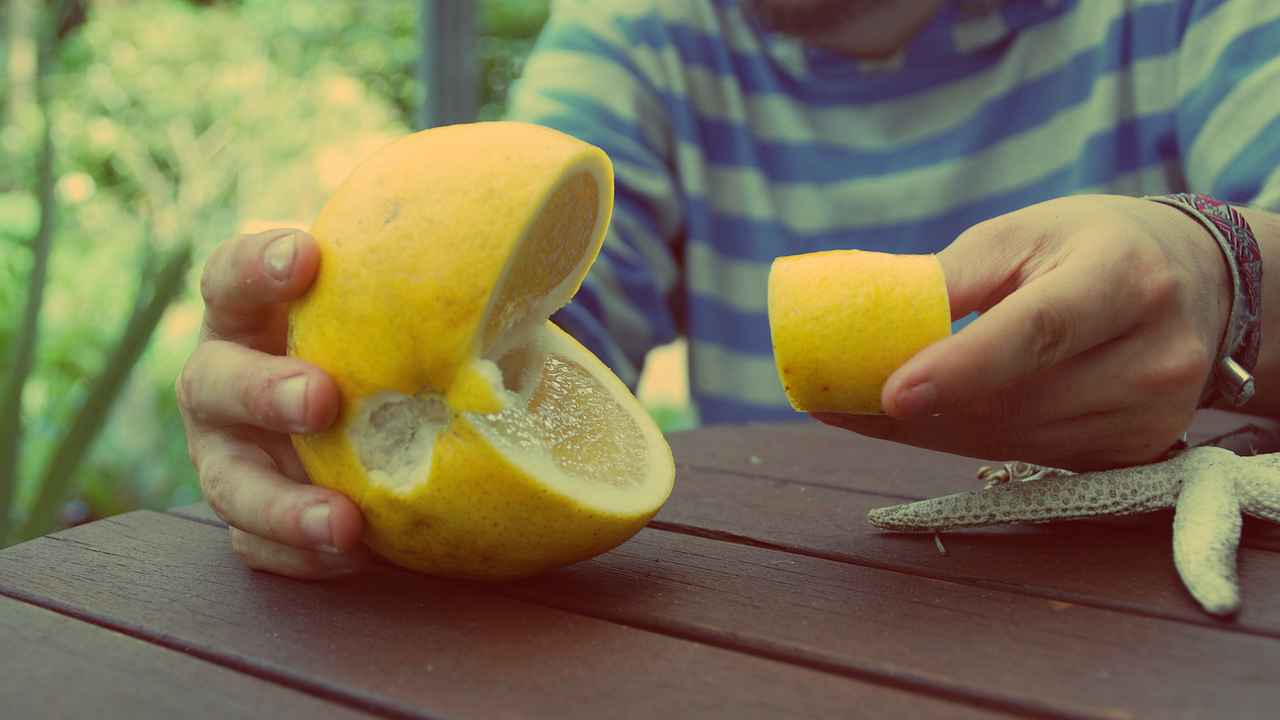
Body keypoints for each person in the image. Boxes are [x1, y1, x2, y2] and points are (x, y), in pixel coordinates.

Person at [176, 0, 1280, 578]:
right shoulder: (642, 31)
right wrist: (317, 399)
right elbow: (526, 316)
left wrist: (1225, 268)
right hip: (786, 618)